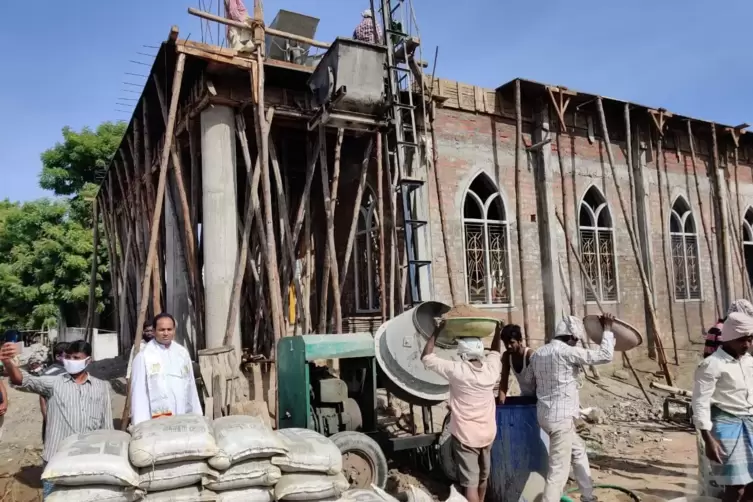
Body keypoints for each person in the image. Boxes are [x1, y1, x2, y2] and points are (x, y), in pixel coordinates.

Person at [0, 340, 113, 499]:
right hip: (56, 458)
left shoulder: (101, 386)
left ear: (88, 360)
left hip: (88, 457)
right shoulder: (54, 383)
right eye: (68, 357)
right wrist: (7, 362)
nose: (71, 361)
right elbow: (23, 380)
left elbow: (106, 424)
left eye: (76, 357)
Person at [526, 314, 615, 502]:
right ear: (572, 337)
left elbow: (528, 383)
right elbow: (605, 355)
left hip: (545, 416)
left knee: (579, 451)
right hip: (561, 420)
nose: (577, 343)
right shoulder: (567, 352)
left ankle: (588, 496)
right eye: (576, 340)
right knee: (558, 471)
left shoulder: (538, 353)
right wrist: (607, 330)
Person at [421, 322, 503, 502]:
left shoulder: (457, 370)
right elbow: (496, 352)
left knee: (470, 484)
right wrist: (498, 331)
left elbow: (426, 357)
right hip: (488, 434)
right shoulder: (491, 370)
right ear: (481, 351)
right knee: (483, 478)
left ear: (462, 353)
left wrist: (437, 329)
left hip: (466, 436)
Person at [692, 312, 753, 502]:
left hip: (750, 423)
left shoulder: (749, 362)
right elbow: (700, 402)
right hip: (726, 427)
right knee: (736, 485)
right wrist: (708, 439)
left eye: (750, 339)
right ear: (728, 339)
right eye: (742, 340)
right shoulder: (711, 365)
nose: (747, 344)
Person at [130, 313, 202, 425]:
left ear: (174, 330)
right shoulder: (143, 357)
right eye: (161, 330)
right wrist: (140, 424)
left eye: (169, 329)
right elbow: (138, 394)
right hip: (156, 421)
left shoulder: (182, 353)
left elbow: (191, 386)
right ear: (154, 331)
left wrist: (197, 415)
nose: (166, 333)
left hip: (182, 415)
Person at [40, 342, 69, 443]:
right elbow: (43, 399)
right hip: (55, 418)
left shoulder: (70, 371)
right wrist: (49, 421)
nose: (71, 359)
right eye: (68, 356)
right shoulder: (49, 374)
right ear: (58, 357)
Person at [498, 324, 535, 402]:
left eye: (512, 342)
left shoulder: (529, 355)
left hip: (538, 397)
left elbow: (541, 380)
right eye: (505, 343)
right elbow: (503, 382)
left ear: (520, 341)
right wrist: (501, 404)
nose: (509, 346)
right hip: (524, 397)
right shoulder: (507, 356)